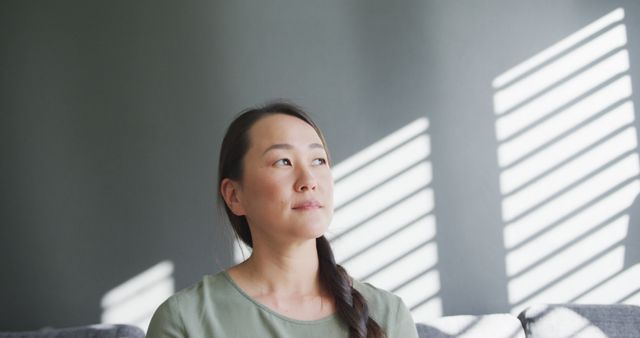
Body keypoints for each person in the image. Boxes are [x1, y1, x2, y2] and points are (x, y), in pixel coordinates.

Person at [146, 101, 419, 338]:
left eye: (319, 161)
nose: (309, 180)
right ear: (234, 196)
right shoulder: (185, 320)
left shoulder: (389, 315)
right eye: (283, 162)